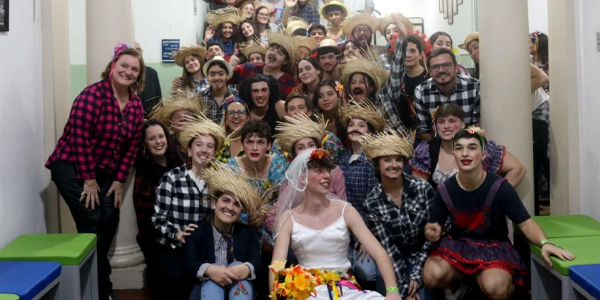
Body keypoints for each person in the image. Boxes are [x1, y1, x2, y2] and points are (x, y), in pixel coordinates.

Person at [422, 126, 575, 300]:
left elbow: (524, 222)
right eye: (459, 148)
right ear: (454, 155)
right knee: (431, 275)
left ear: (483, 154)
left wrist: (545, 243)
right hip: (459, 245)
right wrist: (431, 230)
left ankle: (480, 285)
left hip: (493, 247)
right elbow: (434, 224)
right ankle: (462, 284)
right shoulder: (444, 189)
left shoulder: (501, 187)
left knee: (496, 288)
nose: (465, 153)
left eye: (472, 148)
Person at [45, 42, 146, 300]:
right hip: (69, 165)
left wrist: (119, 180)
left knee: (110, 219)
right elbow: (79, 137)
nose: (128, 71)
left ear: (139, 75)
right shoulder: (92, 95)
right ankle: (100, 287)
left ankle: (92, 282)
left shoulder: (135, 106)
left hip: (104, 173)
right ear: (113, 66)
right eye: (124, 65)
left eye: (134, 69)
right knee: (91, 219)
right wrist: (88, 179)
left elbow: (131, 147)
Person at [271, 149, 403, 300]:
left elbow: (379, 253)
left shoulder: (346, 211)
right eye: (319, 171)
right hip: (307, 293)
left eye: (327, 170)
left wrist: (392, 290)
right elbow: (277, 267)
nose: (327, 175)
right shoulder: (288, 219)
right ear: (302, 178)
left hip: (346, 290)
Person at [152, 113, 226, 299]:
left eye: (210, 146)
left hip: (205, 250)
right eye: (199, 145)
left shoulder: (220, 183)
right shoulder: (172, 178)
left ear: (215, 153)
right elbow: (158, 218)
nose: (204, 150)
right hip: (174, 248)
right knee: (176, 285)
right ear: (190, 151)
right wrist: (177, 233)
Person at [361, 129, 434, 300]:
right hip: (393, 261)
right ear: (378, 165)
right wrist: (405, 289)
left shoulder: (423, 189)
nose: (394, 165)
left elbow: (432, 238)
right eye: (387, 160)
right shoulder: (371, 203)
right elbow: (388, 249)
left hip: (424, 256)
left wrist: (416, 275)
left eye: (398, 160)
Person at [184, 162, 266, 300]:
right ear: (215, 202)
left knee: (238, 265)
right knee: (211, 276)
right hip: (207, 291)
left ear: (241, 210)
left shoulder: (247, 233)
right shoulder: (198, 232)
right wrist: (211, 270)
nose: (230, 207)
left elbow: (257, 262)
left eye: (236, 204)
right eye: (226, 200)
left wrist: (243, 269)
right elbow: (189, 265)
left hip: (239, 288)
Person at [410, 103, 525, 189]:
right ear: (436, 126)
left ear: (462, 125)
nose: (446, 126)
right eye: (441, 122)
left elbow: (518, 169)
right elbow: (419, 190)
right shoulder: (426, 151)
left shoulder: (480, 147)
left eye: (452, 121)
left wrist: (497, 196)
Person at [133, 119, 183, 299]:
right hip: (157, 240)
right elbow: (145, 219)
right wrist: (171, 233)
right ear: (145, 144)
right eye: (152, 139)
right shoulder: (144, 176)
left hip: (186, 234)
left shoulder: (182, 163)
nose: (158, 141)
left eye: (161, 136)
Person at [273, 112, 347, 199]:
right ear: (294, 154)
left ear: (318, 147)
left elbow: (343, 203)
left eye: (311, 145)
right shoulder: (290, 177)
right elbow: (280, 206)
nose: (307, 151)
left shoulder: (334, 171)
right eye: (301, 148)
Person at [415, 48, 480, 141]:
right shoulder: (421, 92)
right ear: (429, 71)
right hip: (438, 145)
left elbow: (477, 125)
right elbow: (424, 130)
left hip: (468, 143)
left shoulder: (473, 87)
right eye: (435, 67)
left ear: (456, 68)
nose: (441, 70)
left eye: (446, 65)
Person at [232, 32, 298, 103]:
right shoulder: (249, 68)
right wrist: (230, 65)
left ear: (285, 61)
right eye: (271, 49)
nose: (273, 53)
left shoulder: (289, 82)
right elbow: (225, 77)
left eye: (279, 53)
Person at [226, 120, 288, 193]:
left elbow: (284, 199)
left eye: (260, 142)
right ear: (242, 144)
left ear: (269, 145)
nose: (254, 148)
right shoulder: (232, 167)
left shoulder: (278, 165)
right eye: (249, 142)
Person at [149, 93, 203, 157]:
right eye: (177, 116)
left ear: (194, 119)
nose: (182, 119)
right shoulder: (166, 142)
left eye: (186, 115)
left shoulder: (202, 139)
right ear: (171, 122)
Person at [399, 33, 430, 132]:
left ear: (421, 55)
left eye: (412, 51)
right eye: (404, 51)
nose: (408, 55)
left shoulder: (430, 76)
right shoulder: (398, 81)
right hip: (406, 135)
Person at [199, 56, 239, 123]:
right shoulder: (201, 97)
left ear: (227, 76)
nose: (217, 78)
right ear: (207, 77)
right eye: (212, 75)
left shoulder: (236, 95)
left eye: (221, 74)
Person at [216, 97, 250, 162]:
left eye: (241, 112)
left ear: (248, 118)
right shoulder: (218, 143)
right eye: (231, 113)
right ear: (225, 119)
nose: (236, 116)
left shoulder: (255, 142)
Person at [134, 42, 162, 117]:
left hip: (150, 121)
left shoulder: (152, 73)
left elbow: (159, 100)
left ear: (141, 52)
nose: (135, 53)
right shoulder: (126, 75)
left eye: (137, 50)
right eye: (132, 50)